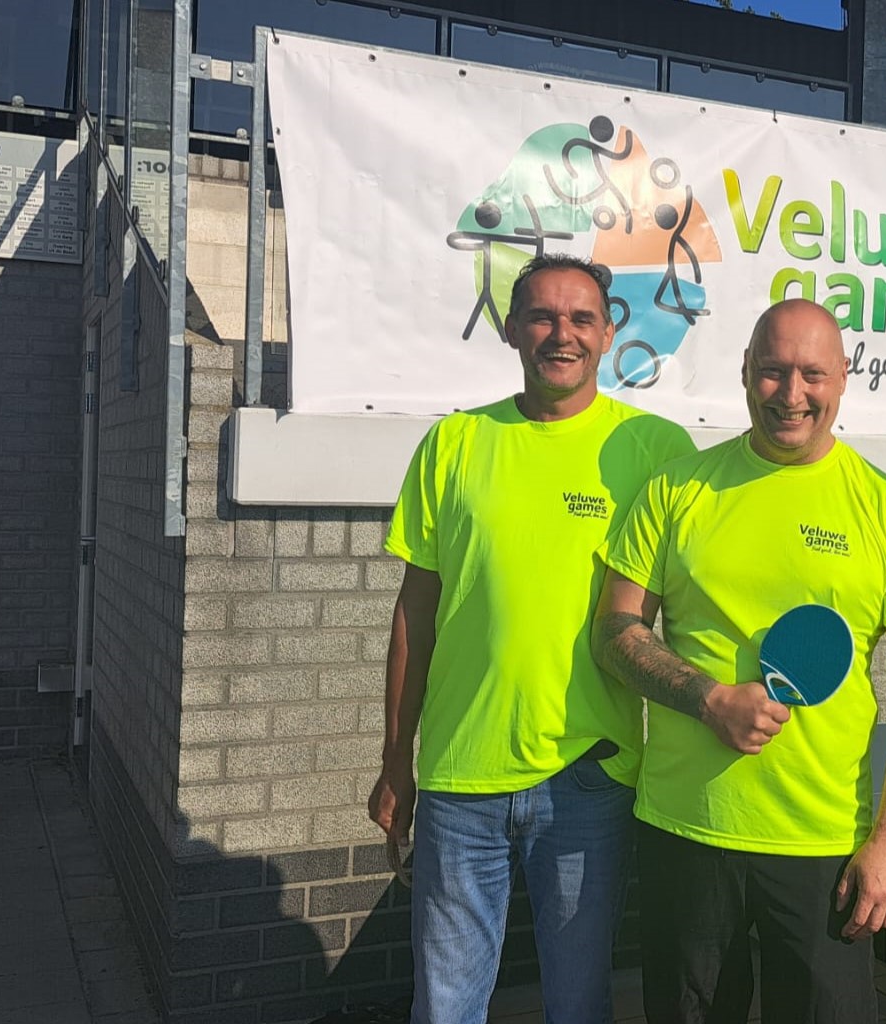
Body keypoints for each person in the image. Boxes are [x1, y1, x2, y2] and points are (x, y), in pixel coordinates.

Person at [592, 299, 886, 1024]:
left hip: (822, 844)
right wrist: (706, 698)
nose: (791, 394)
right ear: (745, 374)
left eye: (812, 373)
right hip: (685, 830)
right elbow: (615, 631)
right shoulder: (677, 489)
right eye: (772, 372)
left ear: (844, 378)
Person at [368, 253, 696, 1024]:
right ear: (511, 328)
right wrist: (395, 760)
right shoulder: (455, 445)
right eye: (543, 316)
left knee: (578, 1005)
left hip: (590, 776)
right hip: (459, 779)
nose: (563, 334)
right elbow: (415, 611)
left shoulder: (655, 450)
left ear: (611, 331)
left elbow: (699, 611)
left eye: (582, 318)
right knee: (444, 1007)